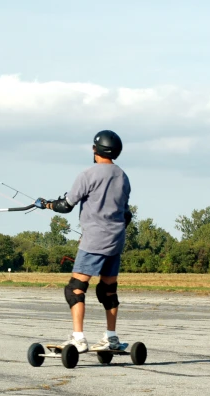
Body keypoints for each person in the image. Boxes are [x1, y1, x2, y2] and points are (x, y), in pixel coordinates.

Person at [36, 130, 132, 352]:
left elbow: (66, 205)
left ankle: (78, 339)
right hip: (116, 240)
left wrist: (46, 204)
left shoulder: (87, 174)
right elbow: (126, 214)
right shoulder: (123, 176)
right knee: (108, 290)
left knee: (75, 289)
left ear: (95, 149)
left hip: (94, 241)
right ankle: (111, 337)